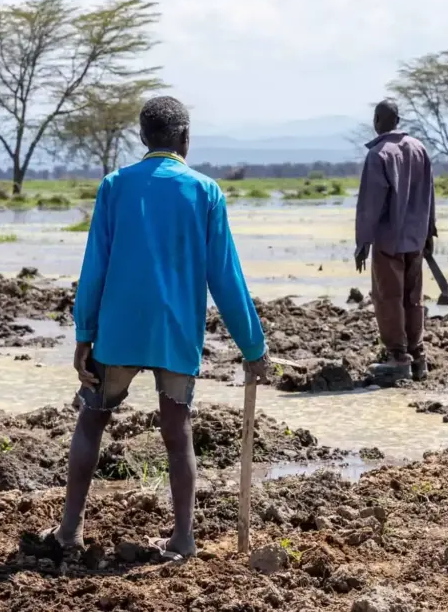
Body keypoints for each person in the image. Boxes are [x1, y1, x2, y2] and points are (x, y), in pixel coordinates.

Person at [28, 96, 269, 562]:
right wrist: (253, 347)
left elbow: (94, 265)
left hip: (118, 330)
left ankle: (70, 530)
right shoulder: (205, 192)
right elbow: (226, 278)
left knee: (92, 418)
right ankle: (182, 538)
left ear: (142, 137)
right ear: (185, 139)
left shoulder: (116, 186)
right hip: (175, 332)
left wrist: (84, 333)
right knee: (177, 432)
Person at [354, 100, 437, 381]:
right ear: (398, 120)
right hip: (415, 238)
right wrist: (430, 232)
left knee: (388, 297)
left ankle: (398, 357)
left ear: (377, 120)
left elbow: (370, 204)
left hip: (389, 240)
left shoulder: (378, 154)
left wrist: (363, 241)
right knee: (412, 298)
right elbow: (430, 195)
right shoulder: (419, 149)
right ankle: (418, 356)